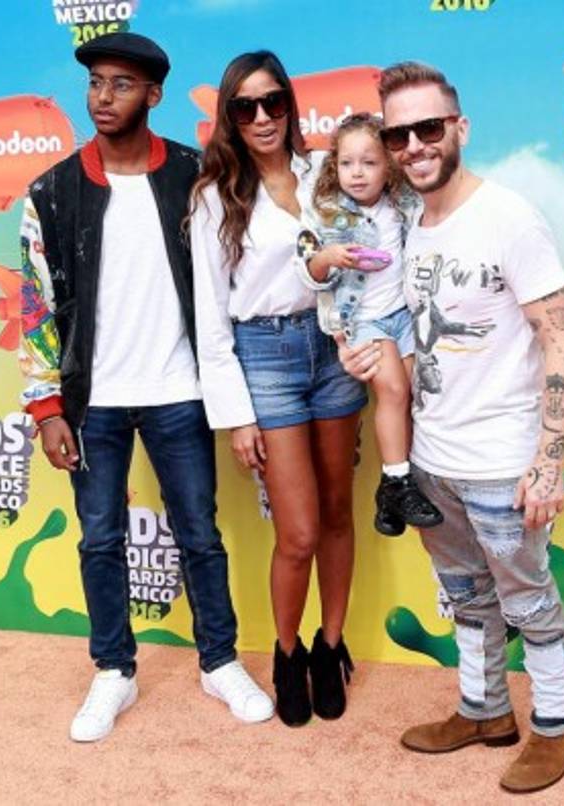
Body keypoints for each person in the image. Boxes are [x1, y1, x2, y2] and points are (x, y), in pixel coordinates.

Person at [18, 32, 272, 743]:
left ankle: (219, 660)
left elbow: (237, 274)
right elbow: (34, 307)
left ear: (154, 95)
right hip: (92, 401)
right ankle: (113, 671)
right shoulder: (52, 192)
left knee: (200, 533)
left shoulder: (195, 177)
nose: (103, 96)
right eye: (96, 82)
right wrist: (46, 408)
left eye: (121, 85)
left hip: (179, 390)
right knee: (100, 539)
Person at [339, 62, 564, 793]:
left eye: (429, 128)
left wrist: (547, 459)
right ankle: (483, 710)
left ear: (459, 129)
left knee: (527, 597)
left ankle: (557, 724)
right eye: (398, 134)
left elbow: (561, 338)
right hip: (432, 455)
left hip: (504, 459)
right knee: (466, 594)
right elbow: (424, 339)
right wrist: (374, 358)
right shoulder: (415, 226)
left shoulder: (509, 216)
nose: (414, 145)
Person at [189, 51, 365, 726]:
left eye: (273, 103)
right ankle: (287, 652)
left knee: (337, 514)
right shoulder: (213, 197)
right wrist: (236, 416)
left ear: (290, 105)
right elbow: (211, 315)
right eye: (245, 106)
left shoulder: (325, 172)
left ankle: (330, 644)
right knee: (297, 532)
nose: (262, 117)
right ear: (229, 117)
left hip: (333, 347)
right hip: (263, 357)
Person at [294, 112, 443, 538]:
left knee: (411, 394)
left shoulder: (402, 205)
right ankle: (398, 480)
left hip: (403, 317)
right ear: (333, 165)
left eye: (369, 163)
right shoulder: (326, 215)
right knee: (392, 390)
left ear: (389, 166)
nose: (356, 173)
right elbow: (306, 271)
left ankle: (390, 488)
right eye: (346, 163)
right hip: (361, 321)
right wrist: (327, 260)